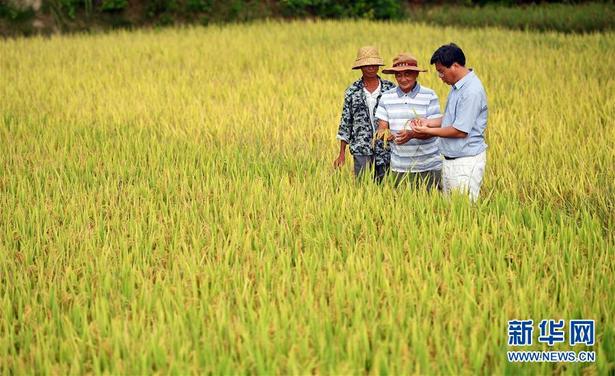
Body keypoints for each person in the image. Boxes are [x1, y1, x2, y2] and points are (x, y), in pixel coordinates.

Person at [412, 43, 488, 202]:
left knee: (464, 213)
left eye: (441, 71)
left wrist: (427, 131)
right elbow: (451, 118)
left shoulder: (471, 91)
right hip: (450, 160)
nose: (440, 77)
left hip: (465, 162)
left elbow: (460, 130)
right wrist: (427, 122)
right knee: (450, 212)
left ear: (454, 66)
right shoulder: (457, 87)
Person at [374, 53, 442, 190]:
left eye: (408, 74)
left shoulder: (429, 95)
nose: (403, 79)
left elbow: (436, 129)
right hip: (399, 167)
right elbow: (381, 129)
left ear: (416, 74)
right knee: (403, 207)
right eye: (398, 75)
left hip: (429, 165)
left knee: (432, 207)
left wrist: (412, 134)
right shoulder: (386, 97)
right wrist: (387, 135)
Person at [334, 46, 396, 182]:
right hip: (361, 147)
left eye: (374, 64)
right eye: (367, 65)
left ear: (378, 66)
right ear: (361, 67)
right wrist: (341, 154)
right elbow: (346, 123)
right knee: (363, 186)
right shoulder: (352, 91)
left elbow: (398, 117)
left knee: (385, 186)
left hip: (385, 148)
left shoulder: (390, 89)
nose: (371, 68)